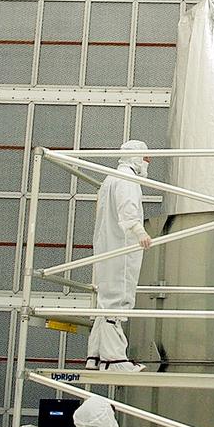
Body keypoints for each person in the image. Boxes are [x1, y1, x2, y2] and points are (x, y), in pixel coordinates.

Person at [85, 139, 153, 373]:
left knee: (106, 301)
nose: (148, 163)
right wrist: (139, 231)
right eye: (146, 158)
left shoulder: (110, 178)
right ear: (136, 157)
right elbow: (128, 208)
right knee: (118, 300)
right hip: (121, 247)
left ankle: (95, 356)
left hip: (107, 247)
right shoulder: (127, 179)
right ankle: (115, 360)